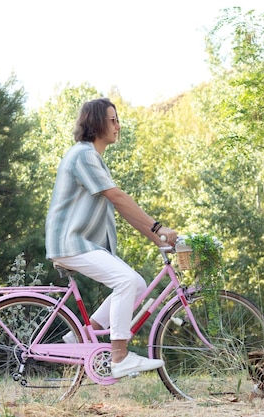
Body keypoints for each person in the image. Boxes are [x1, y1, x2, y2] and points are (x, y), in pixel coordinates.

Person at [45, 98, 178, 379]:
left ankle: (81, 338)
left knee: (138, 286)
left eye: (118, 120)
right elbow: (118, 198)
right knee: (126, 281)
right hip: (70, 242)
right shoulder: (83, 155)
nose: (118, 125)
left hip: (80, 243)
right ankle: (119, 356)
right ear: (95, 123)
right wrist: (158, 227)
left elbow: (123, 208)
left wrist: (157, 237)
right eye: (112, 119)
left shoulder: (92, 156)